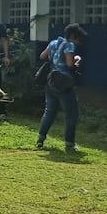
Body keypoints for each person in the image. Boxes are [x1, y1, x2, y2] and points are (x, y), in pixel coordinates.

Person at [36, 23, 88, 152]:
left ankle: (40, 139)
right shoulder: (69, 45)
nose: (78, 41)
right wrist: (77, 60)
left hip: (51, 80)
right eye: (78, 38)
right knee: (71, 114)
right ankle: (69, 144)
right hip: (64, 83)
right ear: (73, 36)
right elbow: (70, 64)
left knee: (49, 111)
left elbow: (42, 56)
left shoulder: (54, 42)